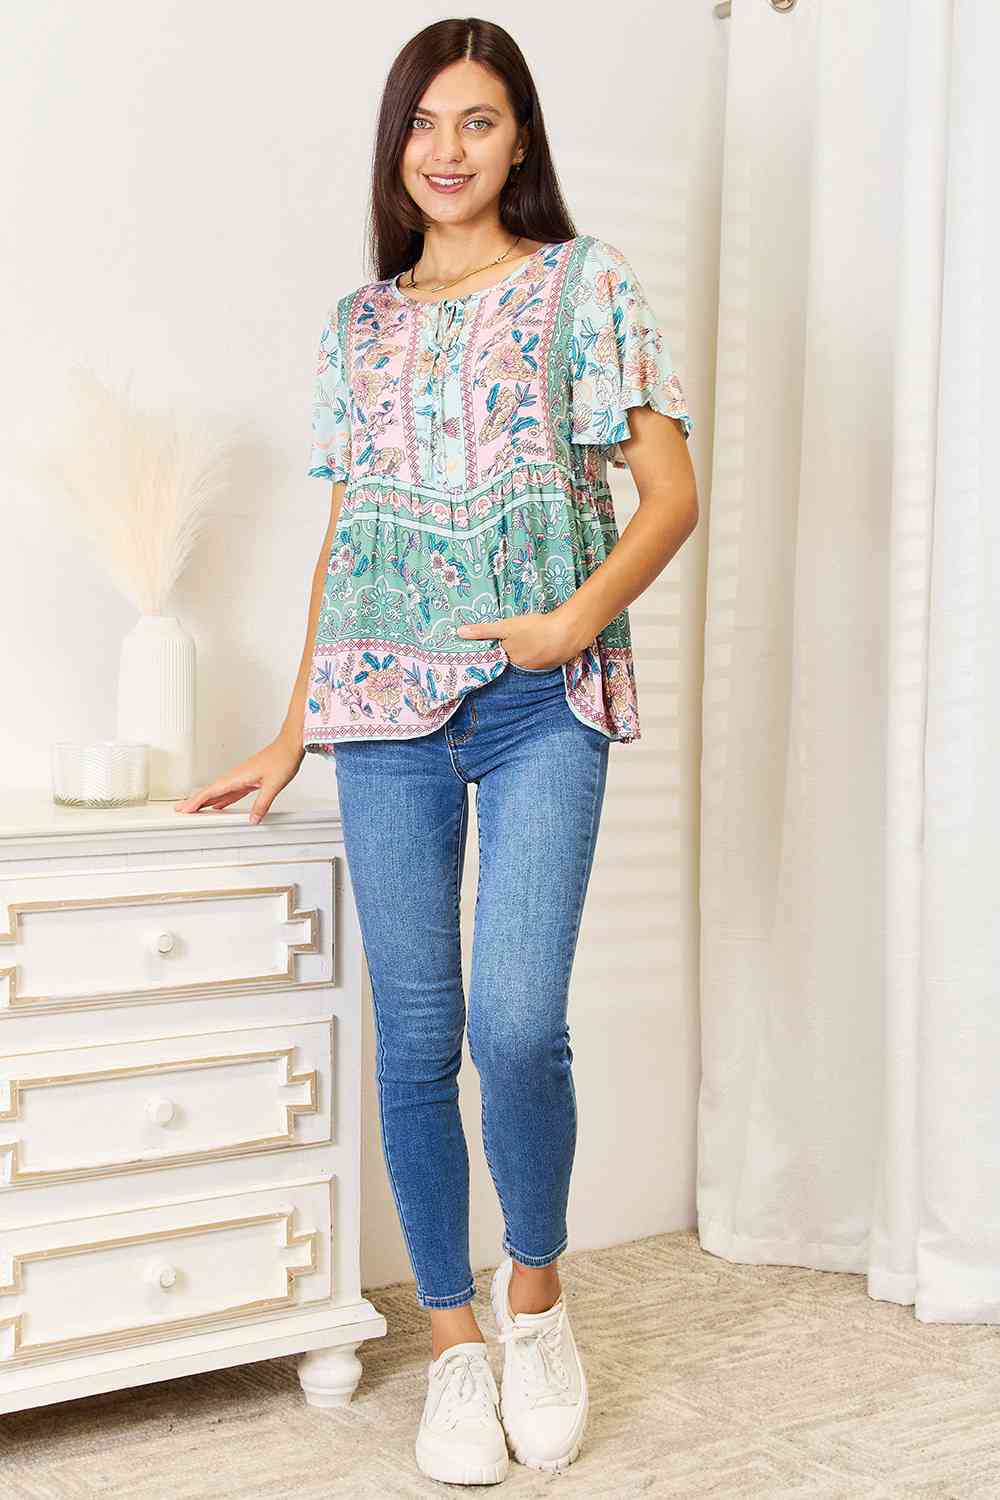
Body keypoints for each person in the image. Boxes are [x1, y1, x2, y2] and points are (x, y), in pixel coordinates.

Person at [174, 15, 697, 1487]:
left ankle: (537, 1300)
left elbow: (669, 493)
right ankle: (454, 1343)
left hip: (540, 701)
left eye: (477, 120)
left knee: (517, 1025)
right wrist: (295, 728)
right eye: (423, 122)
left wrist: (569, 625)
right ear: (395, 144)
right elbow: (350, 535)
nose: (447, 149)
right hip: (377, 712)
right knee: (415, 1040)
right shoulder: (361, 325)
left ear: (519, 139)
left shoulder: (586, 286)